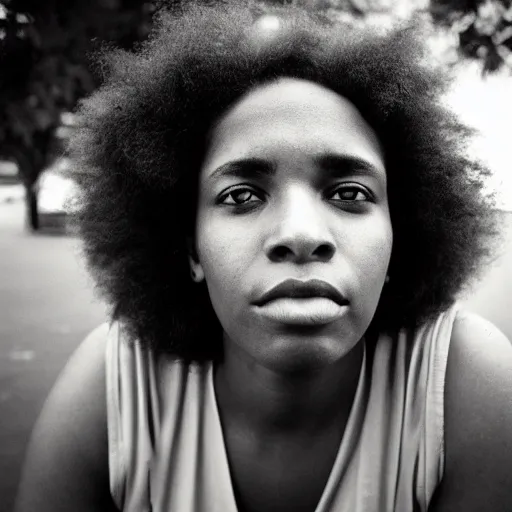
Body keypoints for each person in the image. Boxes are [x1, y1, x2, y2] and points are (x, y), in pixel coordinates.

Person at [14, 2, 512, 511]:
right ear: (191, 249)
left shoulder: (463, 384)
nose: (300, 235)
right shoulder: (119, 383)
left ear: (397, 238)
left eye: (350, 193)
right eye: (241, 196)